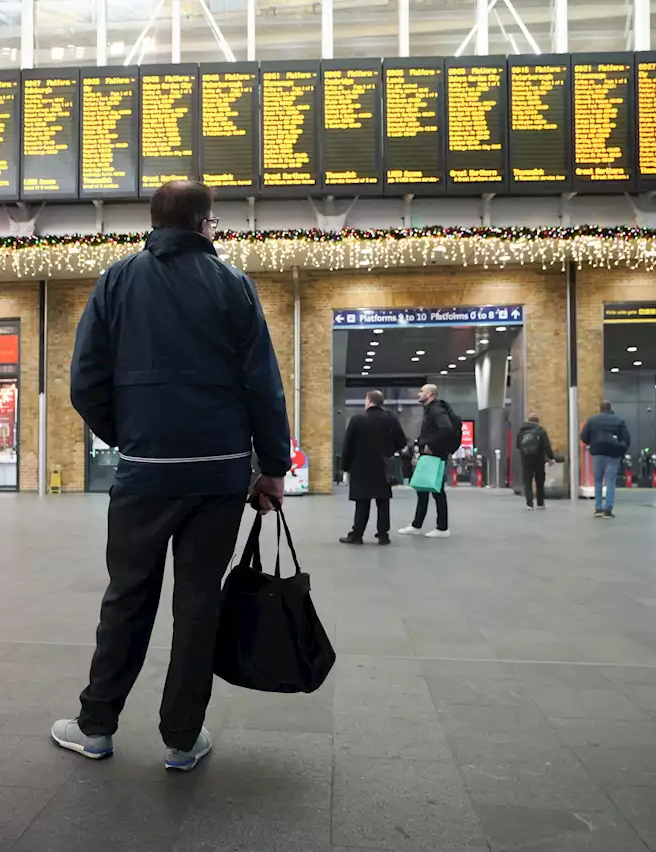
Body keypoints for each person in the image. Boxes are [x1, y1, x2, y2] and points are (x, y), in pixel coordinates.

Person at [53, 180, 291, 772]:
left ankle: (97, 727)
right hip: (219, 477)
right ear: (206, 223)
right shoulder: (234, 286)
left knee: (127, 599)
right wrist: (272, 467)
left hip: (145, 476)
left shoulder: (116, 281)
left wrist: (130, 437)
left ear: (154, 222)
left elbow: (86, 381)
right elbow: (262, 382)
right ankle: (182, 738)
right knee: (198, 605)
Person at [339, 390, 407, 545]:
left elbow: (348, 446)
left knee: (362, 502)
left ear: (369, 401)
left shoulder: (357, 420)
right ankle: (383, 535)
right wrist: (389, 451)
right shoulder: (391, 420)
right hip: (384, 467)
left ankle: (357, 534)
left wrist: (345, 467)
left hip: (360, 466)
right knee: (383, 501)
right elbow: (402, 442)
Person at [398, 383, 457, 538]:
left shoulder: (437, 410)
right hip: (433, 454)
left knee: (437, 490)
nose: (419, 394)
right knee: (423, 489)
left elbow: (446, 429)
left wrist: (430, 444)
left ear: (430, 394)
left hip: (435, 455)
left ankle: (442, 528)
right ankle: (417, 525)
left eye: (422, 391)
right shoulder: (431, 410)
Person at [581, 401, 630, 519]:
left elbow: (583, 436)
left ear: (600, 409)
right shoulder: (619, 420)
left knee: (598, 481)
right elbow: (626, 438)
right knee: (611, 482)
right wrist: (621, 448)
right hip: (613, 454)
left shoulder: (592, 420)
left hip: (598, 453)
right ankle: (607, 510)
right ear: (610, 408)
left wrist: (592, 444)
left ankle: (598, 508)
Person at [515, 413, 554, 510]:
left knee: (527, 481)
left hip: (526, 459)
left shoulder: (521, 431)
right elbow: (546, 445)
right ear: (537, 421)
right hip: (539, 459)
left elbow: (518, 445)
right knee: (539, 481)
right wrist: (551, 457)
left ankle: (529, 503)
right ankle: (540, 503)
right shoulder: (540, 431)